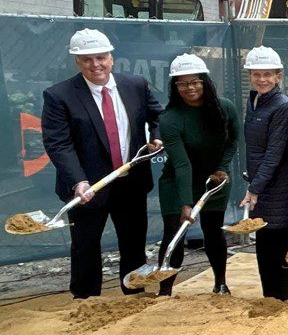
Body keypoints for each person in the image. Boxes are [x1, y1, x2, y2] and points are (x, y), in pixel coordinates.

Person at [40, 29, 163, 299]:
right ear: (77, 62)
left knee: (133, 245)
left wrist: (156, 137)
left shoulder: (135, 85)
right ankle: (85, 302)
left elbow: (159, 117)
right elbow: (58, 143)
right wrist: (78, 180)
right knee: (85, 247)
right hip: (87, 187)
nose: (96, 65)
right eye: (87, 60)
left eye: (101, 57)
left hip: (129, 182)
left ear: (111, 58)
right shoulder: (59, 96)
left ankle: (135, 295)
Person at [155, 53, 240, 295]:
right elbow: (182, 164)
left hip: (215, 180)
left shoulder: (225, 108)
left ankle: (220, 283)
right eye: (182, 84)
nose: (190, 88)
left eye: (195, 82)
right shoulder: (170, 119)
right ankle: (165, 290)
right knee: (175, 233)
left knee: (213, 230)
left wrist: (222, 168)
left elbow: (233, 140)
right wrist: (185, 203)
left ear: (204, 81)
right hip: (177, 182)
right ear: (175, 86)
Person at [240, 46, 288, 301]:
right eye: (256, 74)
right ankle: (270, 300)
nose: (262, 79)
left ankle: (285, 301)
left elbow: (274, 154)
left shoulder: (283, 106)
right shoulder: (254, 101)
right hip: (262, 186)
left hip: (279, 189)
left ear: (278, 76)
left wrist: (254, 188)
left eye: (268, 74)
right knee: (265, 246)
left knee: (282, 247)